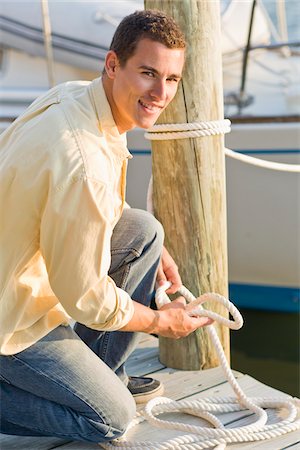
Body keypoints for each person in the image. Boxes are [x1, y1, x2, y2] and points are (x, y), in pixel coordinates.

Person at [0, 9, 212, 445]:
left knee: (144, 231)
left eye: (172, 79)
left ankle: (99, 374)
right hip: (11, 319)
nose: (161, 93)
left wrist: (157, 253)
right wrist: (158, 321)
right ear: (113, 64)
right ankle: (95, 393)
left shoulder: (77, 97)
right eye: (149, 73)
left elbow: (87, 201)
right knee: (112, 420)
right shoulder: (85, 164)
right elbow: (86, 299)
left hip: (18, 272)